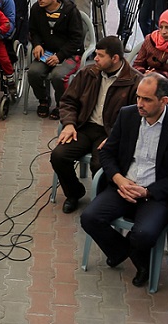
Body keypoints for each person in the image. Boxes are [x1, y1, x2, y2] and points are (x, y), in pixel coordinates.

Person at [80, 73, 168, 288]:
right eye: (138, 97)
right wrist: (119, 179)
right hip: (123, 186)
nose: (140, 104)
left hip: (154, 194)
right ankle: (128, 254)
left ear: (164, 101)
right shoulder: (128, 115)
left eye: (147, 99)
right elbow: (107, 153)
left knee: (143, 235)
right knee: (89, 218)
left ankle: (136, 257)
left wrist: (148, 192)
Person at [53, 37, 138, 213]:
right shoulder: (88, 73)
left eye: (100, 55)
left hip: (110, 133)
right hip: (84, 127)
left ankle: (100, 203)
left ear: (115, 58)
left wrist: (116, 137)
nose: (95, 59)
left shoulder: (134, 81)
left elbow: (136, 119)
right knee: (58, 155)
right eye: (96, 54)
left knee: (100, 164)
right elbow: (68, 101)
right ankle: (74, 193)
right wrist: (69, 124)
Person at [28, 0, 87, 117]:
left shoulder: (70, 11)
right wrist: (37, 44)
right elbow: (33, 31)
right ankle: (43, 100)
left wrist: (60, 56)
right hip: (47, 52)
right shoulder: (36, 9)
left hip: (70, 53)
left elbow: (76, 39)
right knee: (33, 72)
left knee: (58, 76)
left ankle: (62, 105)